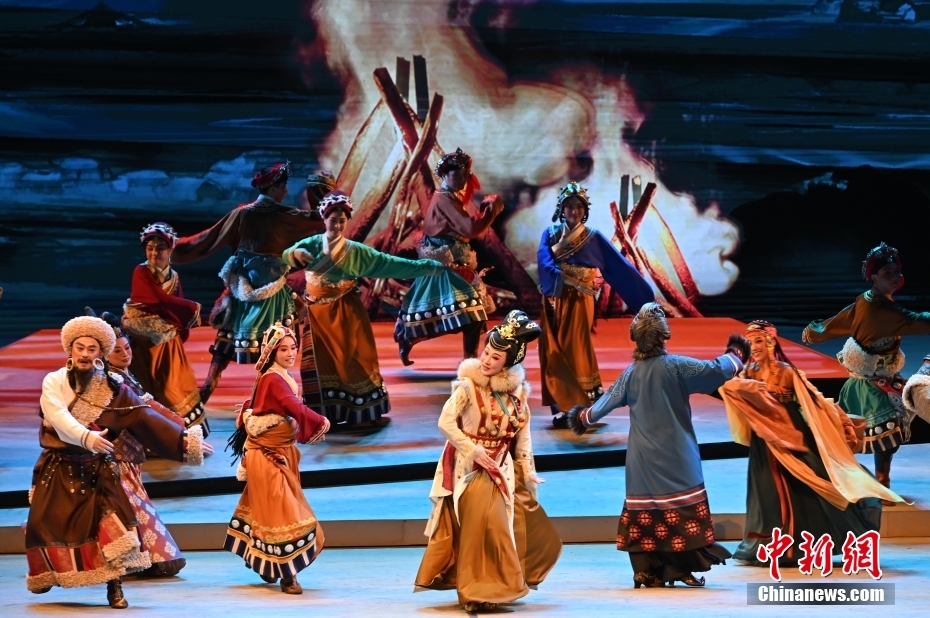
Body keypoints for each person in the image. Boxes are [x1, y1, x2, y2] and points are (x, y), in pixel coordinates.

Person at [26, 316, 211, 608]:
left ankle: (115, 589)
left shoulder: (113, 386)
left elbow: (144, 414)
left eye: (91, 349)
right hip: (60, 466)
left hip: (97, 468)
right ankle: (48, 574)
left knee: (114, 528)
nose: (85, 354)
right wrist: (87, 437)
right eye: (79, 348)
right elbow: (57, 416)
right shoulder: (54, 381)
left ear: (100, 354)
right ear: (70, 350)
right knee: (44, 523)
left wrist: (184, 440)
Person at [568, 302, 748, 588]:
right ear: (663, 336)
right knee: (682, 508)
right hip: (677, 453)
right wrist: (736, 355)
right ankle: (680, 568)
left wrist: (582, 417)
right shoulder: (676, 366)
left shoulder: (631, 373)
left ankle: (646, 570)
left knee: (645, 510)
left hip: (642, 457)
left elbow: (604, 404)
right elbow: (714, 370)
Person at [719, 320, 902, 565]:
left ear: (771, 343)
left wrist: (842, 422)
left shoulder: (786, 372)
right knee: (767, 493)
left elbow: (814, 400)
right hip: (764, 441)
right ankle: (771, 545)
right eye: (750, 343)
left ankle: (801, 545)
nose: (754, 347)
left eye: (759, 341)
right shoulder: (748, 372)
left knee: (808, 489)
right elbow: (728, 386)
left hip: (793, 437)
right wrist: (747, 386)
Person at [415, 310, 561, 612]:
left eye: (495, 357)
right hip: (469, 468)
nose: (486, 360)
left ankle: (495, 586)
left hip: (502, 467)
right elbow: (445, 422)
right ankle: (475, 591)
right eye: (486, 353)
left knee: (524, 526)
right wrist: (472, 450)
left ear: (508, 363)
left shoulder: (518, 394)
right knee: (485, 526)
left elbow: (522, 435)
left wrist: (528, 470)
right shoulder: (467, 387)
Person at [282, 191, 447, 425]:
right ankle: (325, 413)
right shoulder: (311, 244)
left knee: (352, 360)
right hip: (317, 315)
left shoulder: (355, 251)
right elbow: (286, 256)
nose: (337, 225)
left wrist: (428, 267)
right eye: (333, 220)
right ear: (324, 218)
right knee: (321, 364)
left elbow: (389, 263)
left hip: (346, 313)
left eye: (342, 221)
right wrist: (294, 254)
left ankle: (359, 411)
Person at [169, 162, 326, 403]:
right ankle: (271, 392)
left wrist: (175, 247)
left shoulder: (242, 213)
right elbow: (318, 219)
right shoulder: (286, 216)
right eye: (283, 186)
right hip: (271, 291)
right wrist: (320, 190)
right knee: (275, 342)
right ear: (272, 188)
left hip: (244, 288)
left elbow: (208, 237)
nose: (286, 191)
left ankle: (211, 383)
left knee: (227, 340)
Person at [802, 242, 930, 490]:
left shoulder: (866, 300)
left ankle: (870, 480)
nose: (894, 276)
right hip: (871, 387)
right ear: (874, 277)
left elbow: (842, 319)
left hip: (875, 380)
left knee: (880, 435)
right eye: (887, 273)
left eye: (896, 271)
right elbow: (919, 321)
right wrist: (816, 331)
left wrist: (814, 331)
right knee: (884, 435)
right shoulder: (880, 310)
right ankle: (878, 482)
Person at [537, 181, 655, 428]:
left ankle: (580, 406)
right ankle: (565, 406)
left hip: (580, 301)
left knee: (575, 348)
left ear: (585, 210)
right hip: (554, 298)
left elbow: (619, 267)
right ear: (561, 209)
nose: (574, 211)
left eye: (579, 206)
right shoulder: (550, 233)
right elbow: (545, 264)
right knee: (552, 349)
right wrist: (572, 281)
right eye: (569, 206)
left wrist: (644, 298)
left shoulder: (592, 237)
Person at [224, 323, 330, 594]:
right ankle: (288, 574)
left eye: (293, 348)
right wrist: (320, 421)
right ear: (272, 352)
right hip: (267, 457)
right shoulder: (273, 378)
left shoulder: (278, 375)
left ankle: (268, 564)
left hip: (280, 453)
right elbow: (293, 406)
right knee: (284, 513)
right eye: (283, 349)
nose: (290, 353)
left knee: (270, 512)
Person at [93, 308, 190, 577]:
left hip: (130, 456)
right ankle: (142, 558)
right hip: (117, 457)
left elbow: (149, 405)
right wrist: (180, 435)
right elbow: (144, 412)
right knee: (132, 507)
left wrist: (180, 426)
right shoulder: (111, 381)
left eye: (127, 348)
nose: (125, 354)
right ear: (104, 355)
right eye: (117, 351)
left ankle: (144, 559)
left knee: (135, 506)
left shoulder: (124, 376)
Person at [394, 148, 505, 366]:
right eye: (458, 174)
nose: (463, 179)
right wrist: (491, 211)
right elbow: (470, 229)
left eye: (466, 174)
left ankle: (467, 361)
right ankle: (466, 361)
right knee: (469, 315)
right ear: (445, 174)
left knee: (464, 317)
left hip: (454, 264)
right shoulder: (444, 199)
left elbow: (465, 228)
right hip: (444, 268)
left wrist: (486, 211)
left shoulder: (449, 196)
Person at [121, 223, 207, 433]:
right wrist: (191, 308)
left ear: (170, 250)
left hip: (167, 340)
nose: (154, 253)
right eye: (150, 248)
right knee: (148, 384)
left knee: (174, 381)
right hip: (142, 337)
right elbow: (154, 299)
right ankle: (155, 429)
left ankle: (182, 428)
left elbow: (171, 304)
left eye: (160, 249)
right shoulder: (141, 271)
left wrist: (180, 324)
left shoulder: (174, 276)